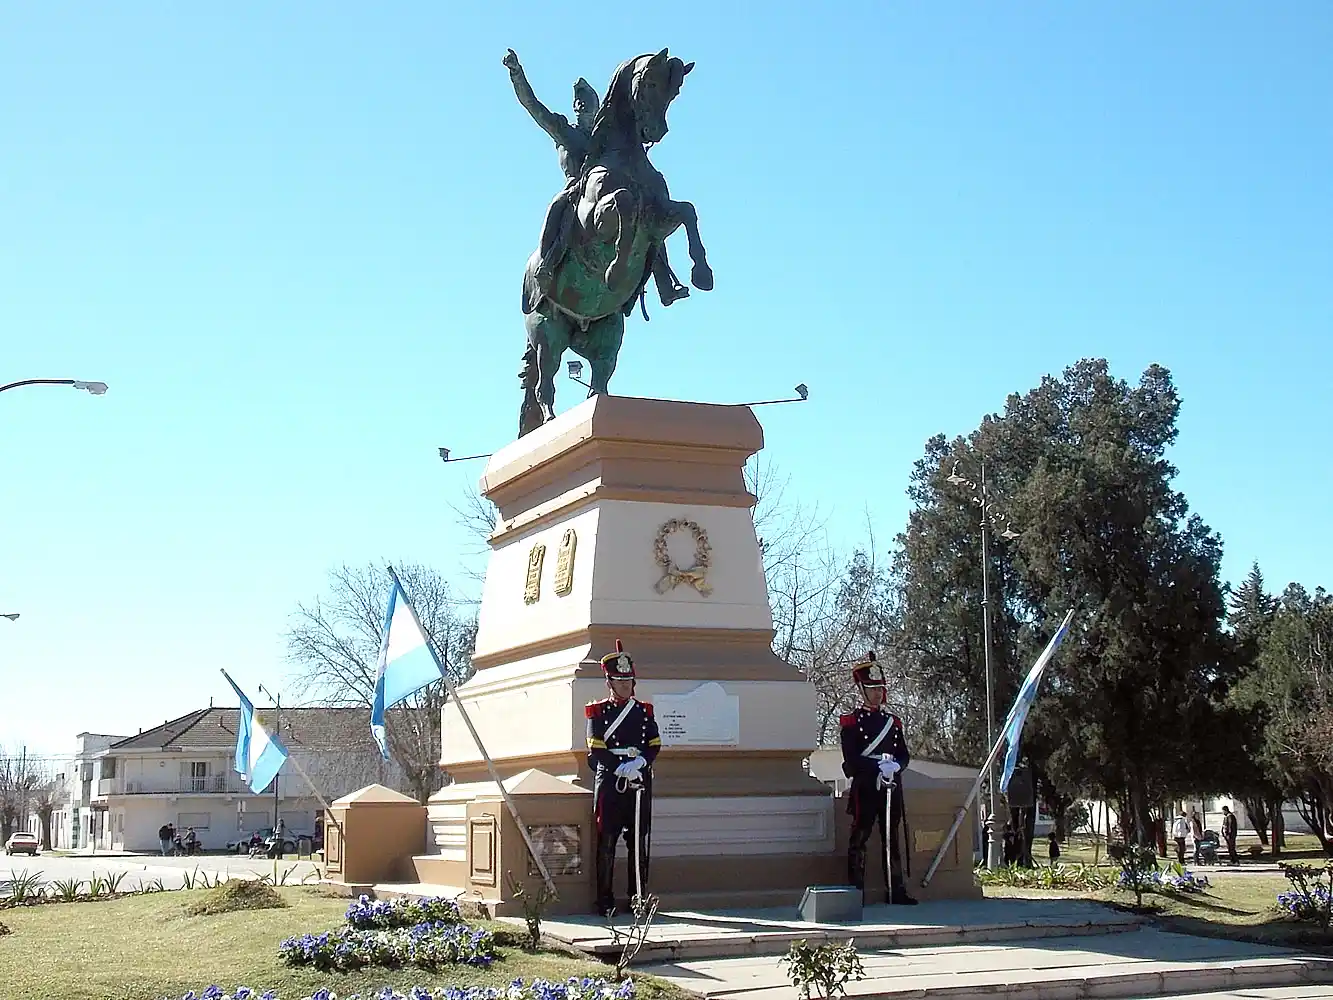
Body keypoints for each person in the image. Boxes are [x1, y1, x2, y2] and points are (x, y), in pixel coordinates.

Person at [502, 48, 690, 307]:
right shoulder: (567, 132)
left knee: (647, 211)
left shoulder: (609, 141)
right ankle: (546, 264)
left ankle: (664, 285)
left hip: (610, 196)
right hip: (578, 191)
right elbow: (533, 106)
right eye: (579, 102)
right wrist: (517, 74)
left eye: (588, 101)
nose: (583, 106)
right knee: (558, 205)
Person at [586, 640, 661, 916]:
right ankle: (605, 900)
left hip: (639, 780)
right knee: (607, 841)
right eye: (620, 681)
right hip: (611, 781)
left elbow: (653, 743)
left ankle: (637, 897)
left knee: (638, 841)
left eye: (629, 680)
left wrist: (641, 761)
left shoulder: (643, 711)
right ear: (609, 682)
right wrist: (619, 767)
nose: (626, 685)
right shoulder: (598, 713)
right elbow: (595, 747)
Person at [840, 652, 918, 905]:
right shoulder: (851, 721)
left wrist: (895, 766)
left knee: (891, 838)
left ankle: (896, 890)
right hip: (866, 786)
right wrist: (877, 768)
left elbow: (904, 754)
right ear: (862, 689)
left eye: (880, 688)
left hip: (890, 786)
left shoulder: (892, 722)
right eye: (872, 688)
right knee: (860, 837)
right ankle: (855, 891)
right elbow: (851, 758)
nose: (877, 693)